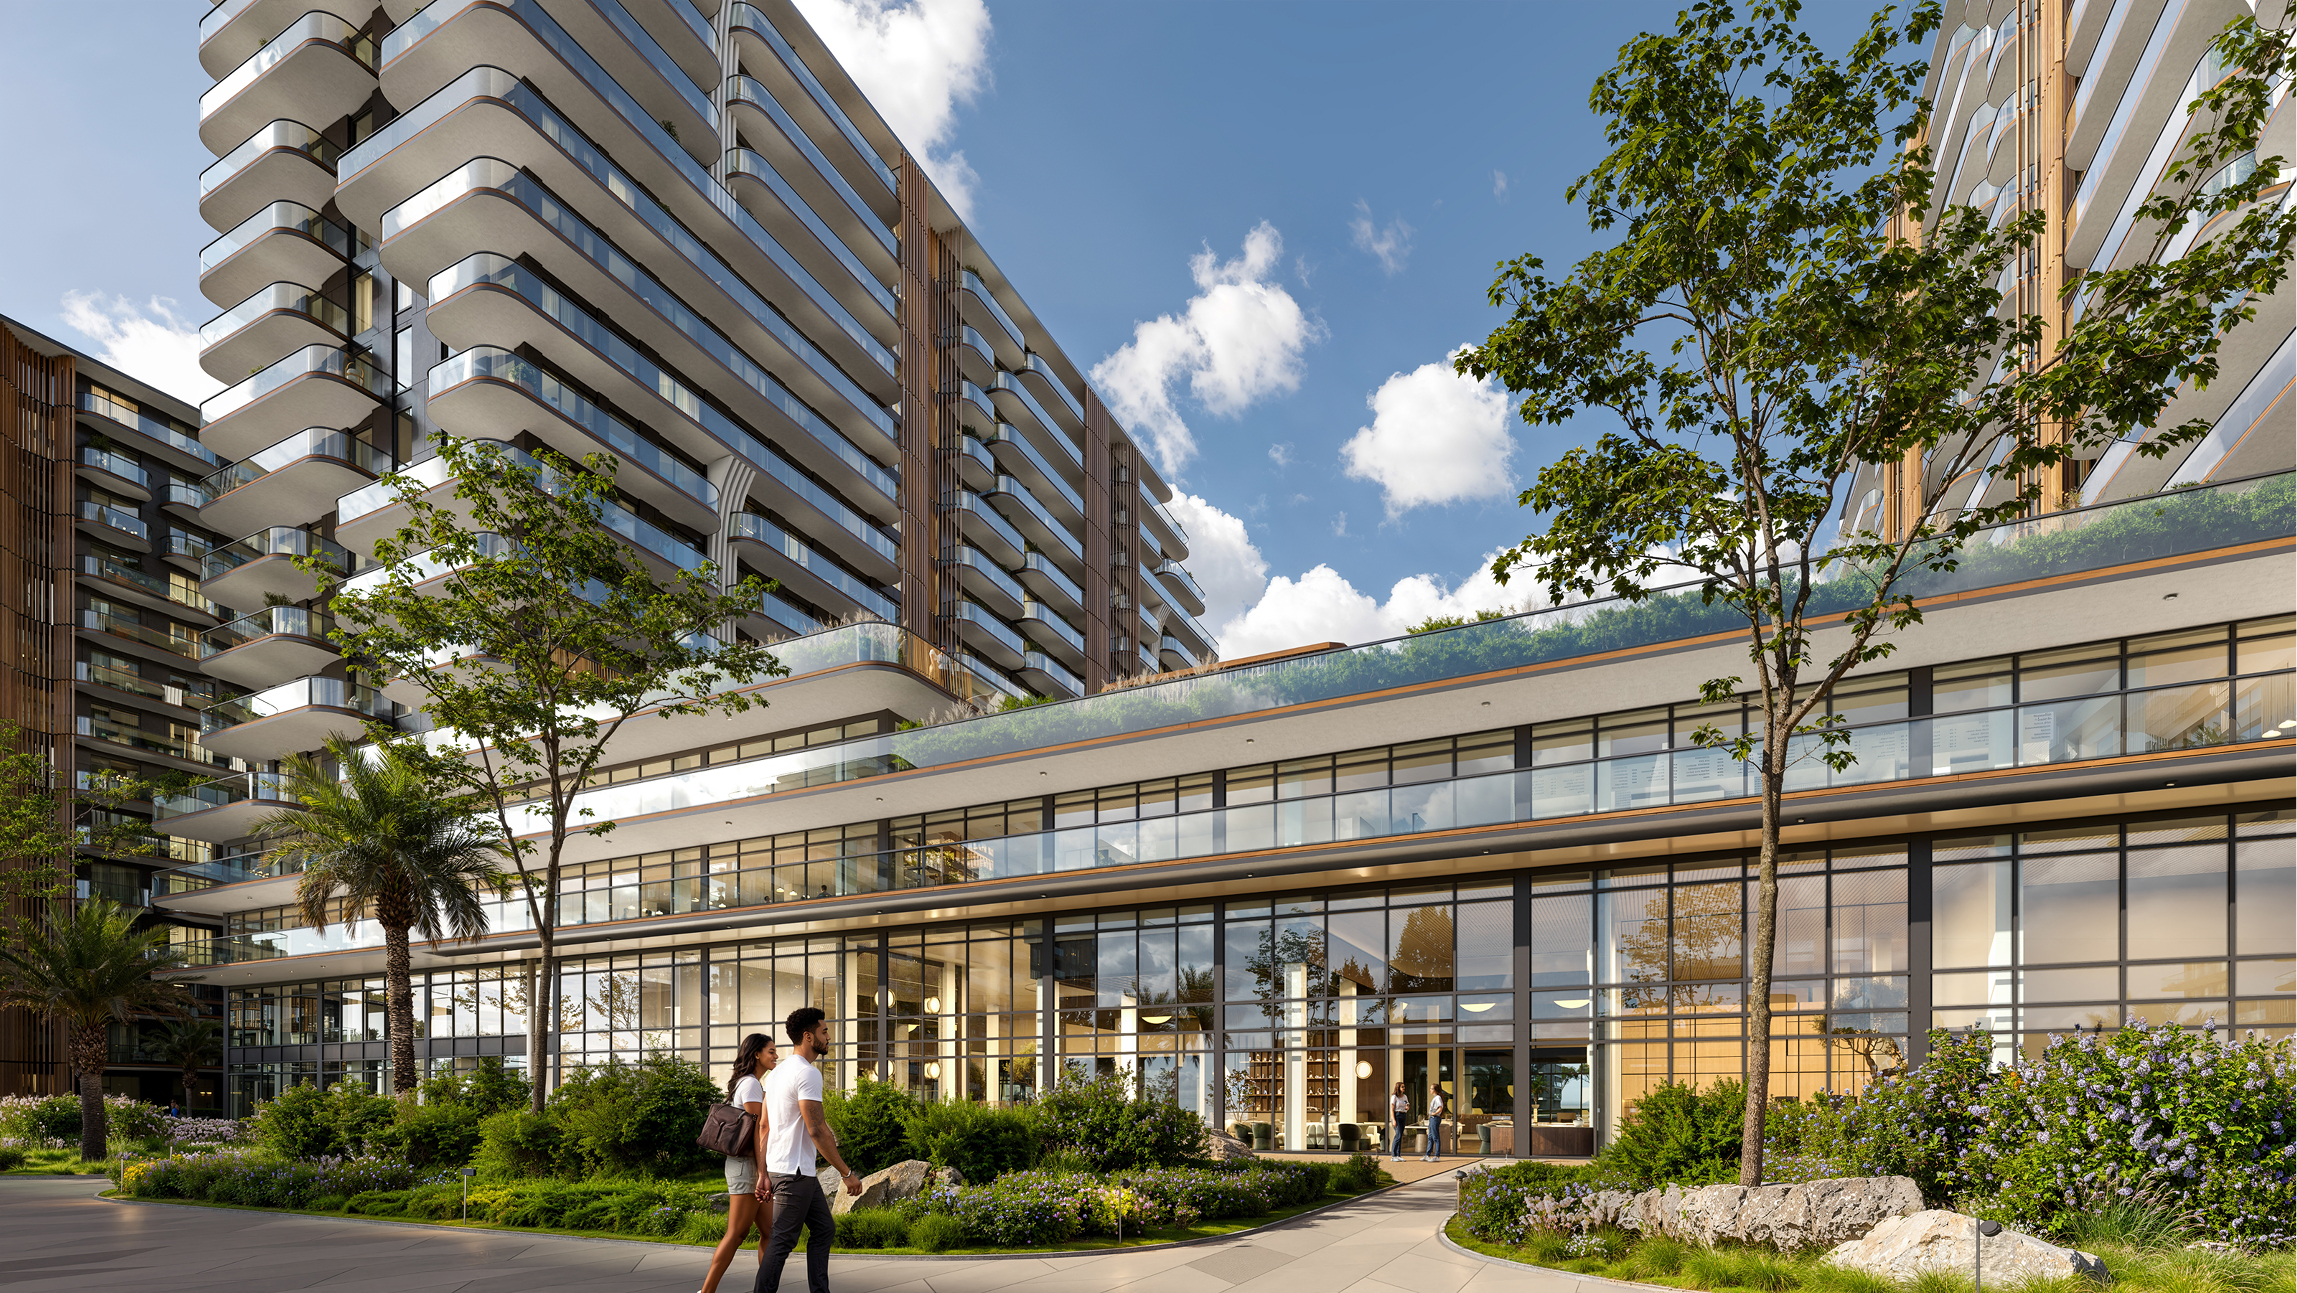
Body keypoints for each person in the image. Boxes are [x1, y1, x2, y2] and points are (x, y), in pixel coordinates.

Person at [754, 1007, 861, 1293]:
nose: (828, 1037)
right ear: (808, 1036)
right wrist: (846, 1173)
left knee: (824, 1229)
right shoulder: (806, 1074)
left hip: (792, 1170)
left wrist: (763, 1173)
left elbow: (764, 1127)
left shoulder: (776, 1074)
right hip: (794, 1174)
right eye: (824, 1032)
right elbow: (817, 1129)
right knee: (782, 1241)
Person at [699, 1033, 777, 1293]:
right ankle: (706, 1291)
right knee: (736, 1234)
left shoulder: (745, 1083)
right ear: (756, 1054)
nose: (776, 1055)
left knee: (771, 1232)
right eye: (771, 1051)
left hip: (747, 1164)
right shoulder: (751, 1084)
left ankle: (765, 1290)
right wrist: (762, 1172)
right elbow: (757, 1131)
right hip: (748, 1166)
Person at [1423, 1084, 1448, 1162]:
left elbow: (1440, 1108)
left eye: (1431, 1088)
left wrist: (1434, 1113)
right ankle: (1427, 1154)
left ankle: (1437, 1156)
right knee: (1430, 1137)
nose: (1430, 1090)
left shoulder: (1437, 1098)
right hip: (1432, 1118)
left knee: (1435, 1137)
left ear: (1435, 1090)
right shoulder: (1436, 1098)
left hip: (1435, 1118)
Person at [1388, 1081, 1410, 1160]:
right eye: (1402, 1087)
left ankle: (1398, 1155)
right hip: (1396, 1115)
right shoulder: (1394, 1097)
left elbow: (1407, 1104)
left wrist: (1407, 1107)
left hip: (1403, 1115)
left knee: (1400, 1135)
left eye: (1404, 1087)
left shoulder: (1405, 1096)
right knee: (1398, 1135)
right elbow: (1392, 1109)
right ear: (1398, 1088)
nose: (1404, 1088)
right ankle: (1393, 1155)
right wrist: (1393, 1120)